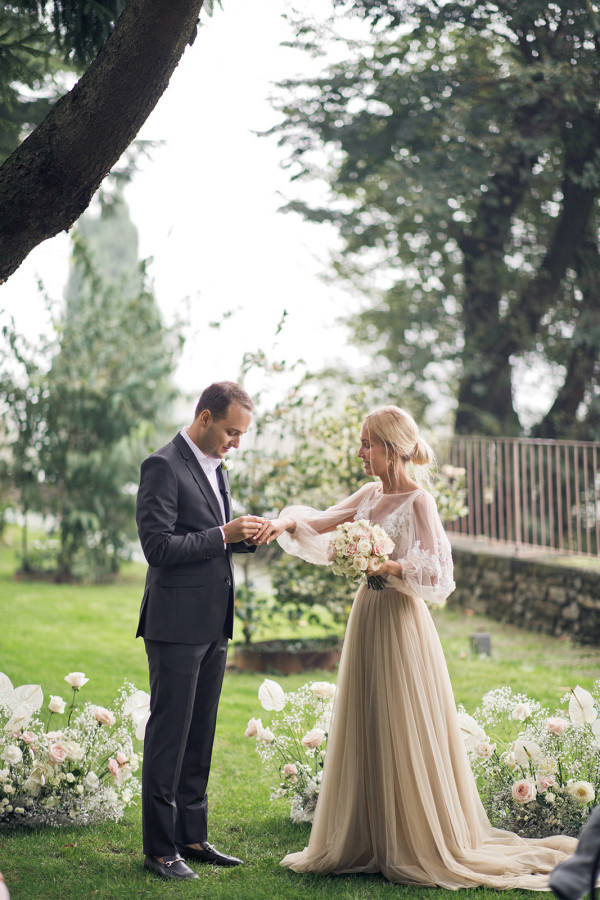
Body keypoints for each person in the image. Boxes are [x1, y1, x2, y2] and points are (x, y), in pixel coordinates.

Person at [260, 405, 576, 889]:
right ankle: (367, 833)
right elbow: (324, 522)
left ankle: (413, 835)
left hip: (402, 621)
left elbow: (439, 574)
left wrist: (384, 564)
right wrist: (281, 525)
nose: (361, 452)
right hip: (367, 614)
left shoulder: (419, 502)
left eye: (368, 443)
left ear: (392, 447)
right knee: (367, 715)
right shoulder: (369, 494)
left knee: (402, 716)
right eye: (362, 442)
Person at [136, 381, 268, 881]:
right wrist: (222, 534)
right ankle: (159, 849)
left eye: (242, 435)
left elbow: (211, 537)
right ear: (206, 418)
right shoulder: (163, 465)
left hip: (213, 622)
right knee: (169, 735)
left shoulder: (216, 466)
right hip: (173, 625)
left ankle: (192, 836)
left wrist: (244, 537)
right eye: (232, 432)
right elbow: (159, 548)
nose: (236, 442)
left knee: (200, 735)